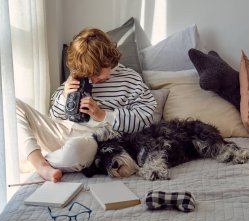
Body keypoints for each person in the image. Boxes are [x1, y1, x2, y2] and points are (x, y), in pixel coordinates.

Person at [16, 28, 157, 182]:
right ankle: (42, 163)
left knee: (77, 151)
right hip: (63, 130)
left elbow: (146, 118)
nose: (93, 80)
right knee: (13, 104)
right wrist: (64, 97)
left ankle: (37, 161)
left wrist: (103, 115)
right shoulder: (80, 75)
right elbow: (54, 116)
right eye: (89, 75)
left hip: (93, 138)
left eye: (98, 76)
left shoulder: (130, 79)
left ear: (110, 61)